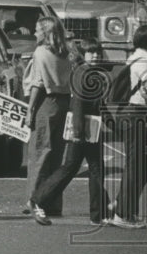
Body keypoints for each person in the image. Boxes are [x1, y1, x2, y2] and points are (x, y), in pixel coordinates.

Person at [31, 38, 111, 227]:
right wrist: (77, 131)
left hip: (91, 128)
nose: (96, 56)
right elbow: (78, 104)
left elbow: (100, 105)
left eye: (98, 53)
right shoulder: (83, 74)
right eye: (91, 53)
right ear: (84, 55)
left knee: (91, 169)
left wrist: (113, 125)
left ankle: (98, 214)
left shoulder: (93, 74)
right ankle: (39, 199)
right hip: (83, 129)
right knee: (73, 168)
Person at [22, 15, 73, 223]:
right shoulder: (66, 53)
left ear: (45, 32)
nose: (34, 33)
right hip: (63, 102)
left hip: (46, 102)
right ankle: (53, 200)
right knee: (56, 153)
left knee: (40, 151)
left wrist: (30, 110)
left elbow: (38, 84)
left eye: (37, 29)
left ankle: (34, 199)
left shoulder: (40, 52)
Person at [110, 24, 147, 229]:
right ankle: (122, 212)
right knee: (137, 163)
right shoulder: (145, 61)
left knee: (145, 160)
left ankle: (123, 202)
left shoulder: (133, 57)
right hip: (134, 114)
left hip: (127, 113)